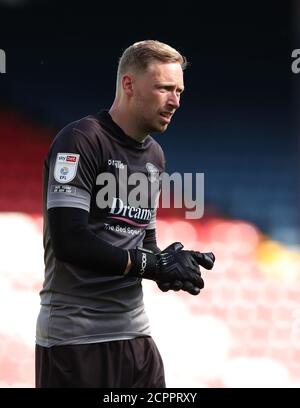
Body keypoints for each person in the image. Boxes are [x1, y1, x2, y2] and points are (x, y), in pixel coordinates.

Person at [35, 40, 215, 388]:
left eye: (179, 91)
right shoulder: (80, 139)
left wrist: (172, 265)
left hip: (135, 335)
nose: (175, 101)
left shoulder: (155, 156)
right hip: (76, 338)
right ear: (129, 85)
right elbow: (70, 241)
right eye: (164, 88)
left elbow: (143, 242)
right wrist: (152, 265)